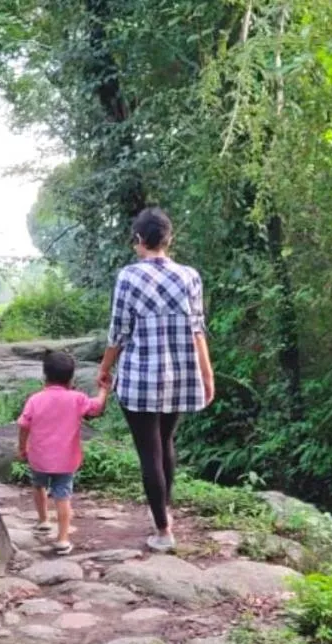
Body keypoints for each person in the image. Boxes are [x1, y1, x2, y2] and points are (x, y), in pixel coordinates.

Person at [97, 207, 215, 553]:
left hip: (139, 379)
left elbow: (118, 332)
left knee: (149, 452)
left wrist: (104, 369)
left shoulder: (128, 277)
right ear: (169, 239)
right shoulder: (190, 276)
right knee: (165, 443)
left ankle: (163, 531)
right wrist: (207, 374)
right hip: (180, 375)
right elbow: (198, 329)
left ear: (138, 240)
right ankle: (163, 515)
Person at [16, 350, 108, 555]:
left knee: (38, 485)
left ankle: (43, 521)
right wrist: (103, 390)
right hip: (66, 460)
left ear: (44, 376)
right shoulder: (77, 398)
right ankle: (63, 539)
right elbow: (96, 407)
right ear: (71, 377)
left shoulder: (35, 399)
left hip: (38, 457)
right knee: (63, 496)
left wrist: (22, 448)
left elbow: (23, 425)